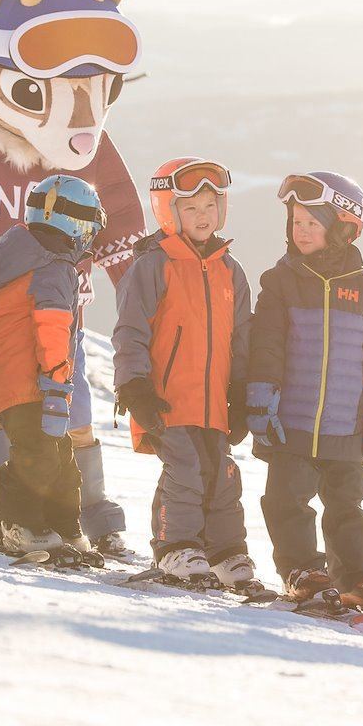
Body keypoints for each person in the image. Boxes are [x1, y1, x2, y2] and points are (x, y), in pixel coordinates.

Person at [0, 0, 148, 558]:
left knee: (71, 410)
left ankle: (90, 511)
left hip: (62, 304)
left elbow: (120, 218)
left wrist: (139, 288)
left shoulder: (88, 146)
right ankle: (2, 508)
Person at [245, 172, 363, 608]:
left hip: (346, 426)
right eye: (296, 222)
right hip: (290, 424)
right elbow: (266, 344)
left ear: (344, 229)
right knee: (286, 500)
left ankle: (358, 577)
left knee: (348, 505)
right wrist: (260, 397)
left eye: (313, 223)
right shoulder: (280, 282)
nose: (302, 231)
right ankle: (303, 570)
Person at [112, 158, 264, 590]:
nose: (203, 216)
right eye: (191, 208)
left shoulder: (230, 270)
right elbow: (130, 330)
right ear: (169, 211)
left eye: (210, 207)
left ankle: (225, 552)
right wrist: (134, 385)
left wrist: (240, 391)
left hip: (214, 400)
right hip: (165, 397)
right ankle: (176, 546)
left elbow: (241, 338)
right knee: (185, 469)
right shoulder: (153, 265)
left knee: (221, 473)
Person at [0, 175, 107, 558]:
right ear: (75, 226)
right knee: (39, 454)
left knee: (59, 455)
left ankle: (63, 527)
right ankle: (12, 519)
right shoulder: (53, 267)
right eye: (89, 228)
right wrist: (56, 383)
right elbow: (52, 328)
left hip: (10, 377)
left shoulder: (23, 257)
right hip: (30, 379)